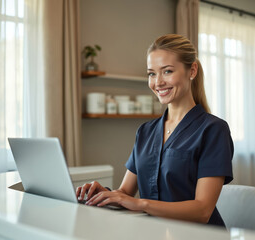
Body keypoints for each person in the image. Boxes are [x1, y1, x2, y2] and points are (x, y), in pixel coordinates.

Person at [76, 34, 233, 227]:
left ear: (192, 70)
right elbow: (126, 193)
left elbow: (202, 210)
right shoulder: (146, 132)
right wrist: (105, 194)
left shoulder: (213, 130)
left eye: (167, 71)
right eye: (151, 73)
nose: (157, 82)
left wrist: (141, 204)